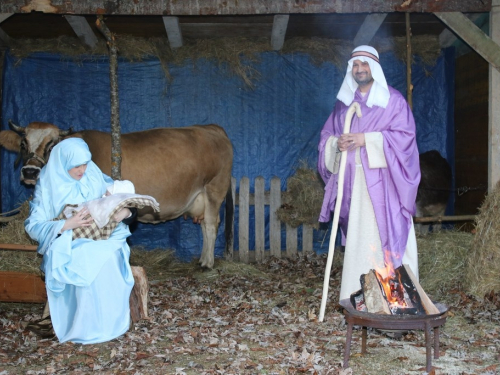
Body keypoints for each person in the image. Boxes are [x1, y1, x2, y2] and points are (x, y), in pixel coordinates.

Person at [317, 45, 421, 301]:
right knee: (359, 242)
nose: (360, 69)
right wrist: (336, 145)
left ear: (374, 68)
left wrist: (368, 139)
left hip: (385, 186)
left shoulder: (393, 101)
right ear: (350, 70)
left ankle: (396, 297)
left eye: (365, 64)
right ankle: (359, 298)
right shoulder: (343, 104)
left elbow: (405, 139)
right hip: (354, 186)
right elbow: (327, 136)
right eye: (355, 65)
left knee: (388, 237)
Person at [24, 138, 135, 343]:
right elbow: (33, 225)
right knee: (84, 258)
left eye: (85, 163)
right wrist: (66, 224)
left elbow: (123, 198)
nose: (82, 169)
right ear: (63, 162)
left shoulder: (93, 175)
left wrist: (125, 213)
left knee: (108, 255)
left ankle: (108, 323)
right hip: (68, 241)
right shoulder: (48, 183)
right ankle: (84, 326)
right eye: (76, 165)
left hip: (102, 236)